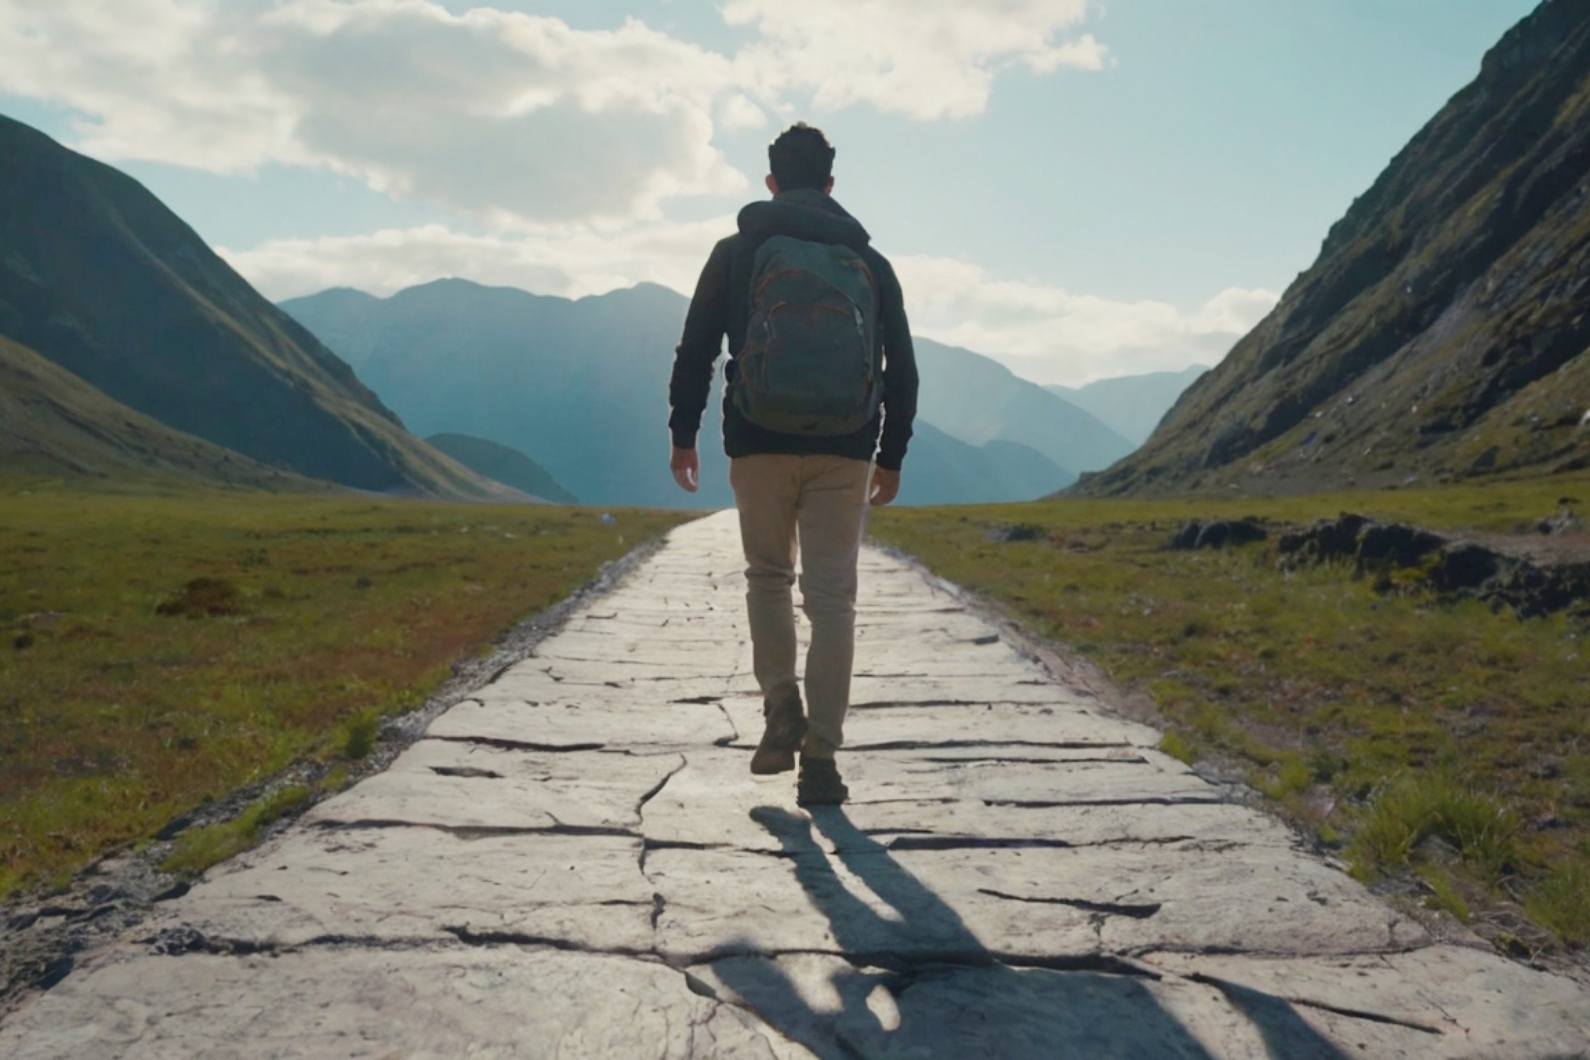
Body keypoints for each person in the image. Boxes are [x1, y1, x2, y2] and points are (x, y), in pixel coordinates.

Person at [667, 123, 918, 806]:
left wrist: (682, 432)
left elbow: (696, 348)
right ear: (831, 185)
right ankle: (822, 761)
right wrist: (890, 455)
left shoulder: (737, 251)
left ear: (771, 181)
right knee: (833, 598)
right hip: (846, 446)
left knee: (769, 576)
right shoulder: (871, 263)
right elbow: (901, 366)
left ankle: (781, 702)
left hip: (757, 440)